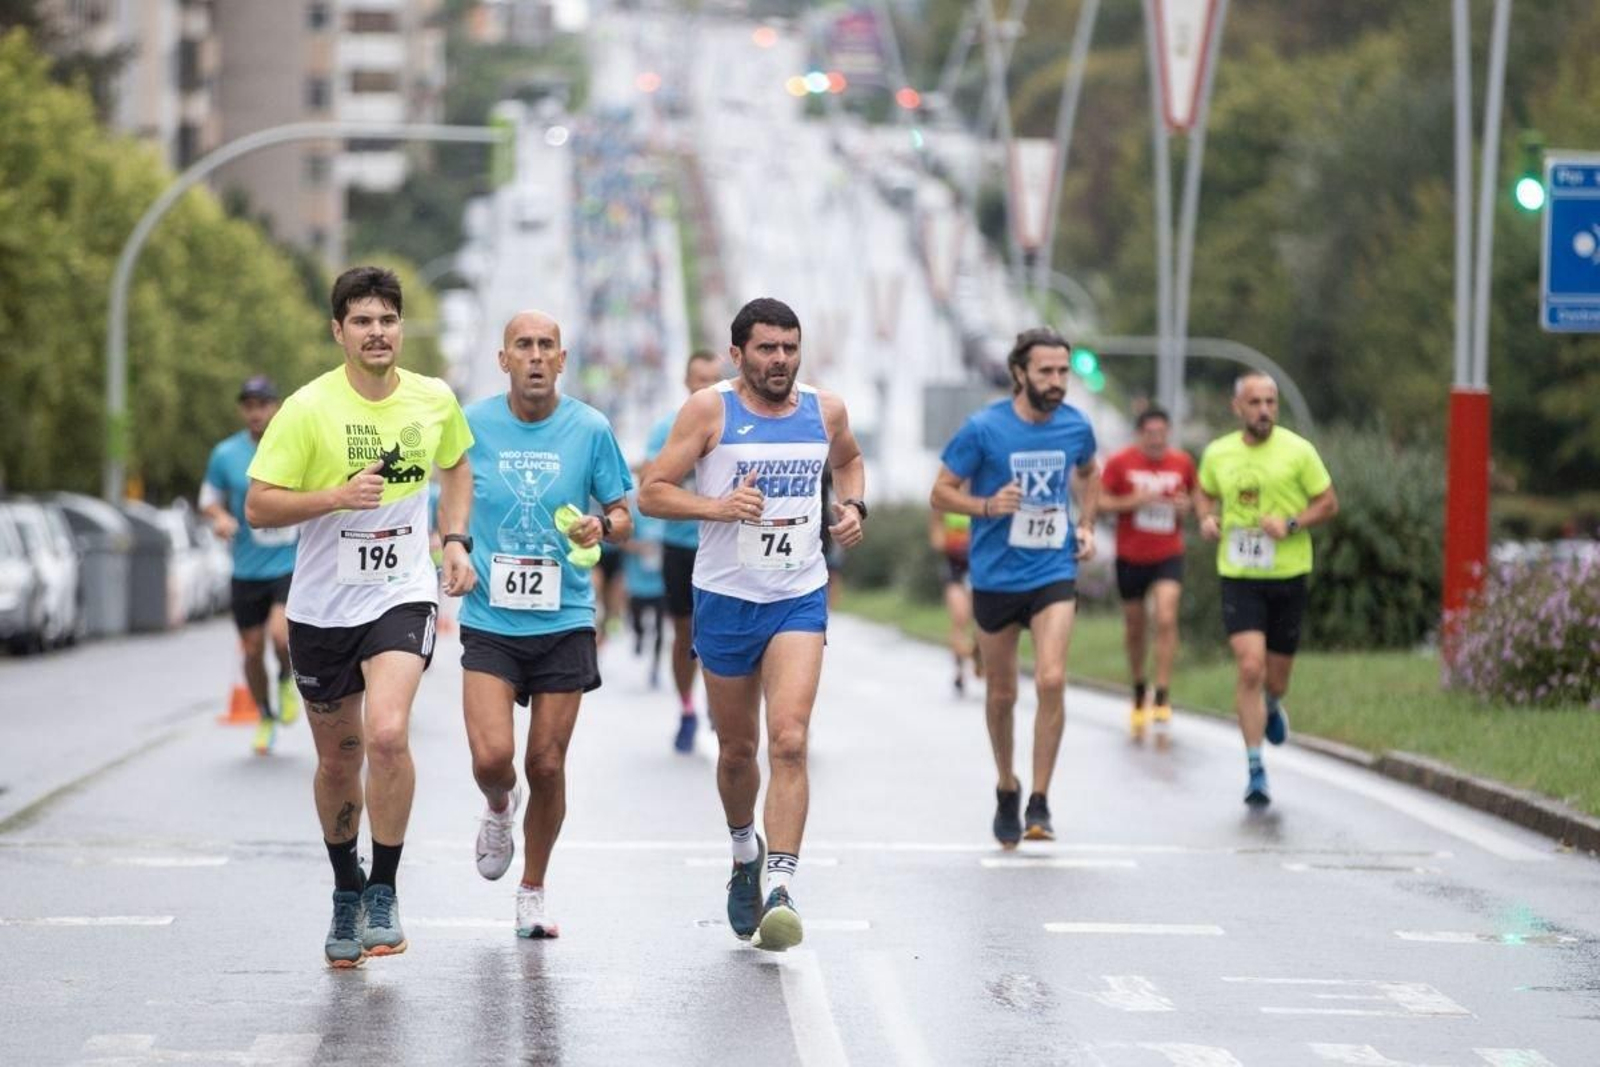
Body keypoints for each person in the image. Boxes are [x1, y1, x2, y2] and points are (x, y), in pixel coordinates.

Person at [245, 265, 476, 968]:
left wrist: (455, 537)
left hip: (401, 592)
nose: (378, 333)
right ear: (338, 330)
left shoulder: (432, 398)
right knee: (337, 760)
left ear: (400, 328)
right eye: (363, 321)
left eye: (388, 319)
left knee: (386, 734)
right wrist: (335, 497)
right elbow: (259, 504)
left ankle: (383, 888)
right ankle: (346, 888)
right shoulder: (308, 409)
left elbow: (457, 464)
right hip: (322, 608)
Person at [639, 298, 865, 952]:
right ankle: (745, 852)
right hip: (725, 596)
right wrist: (717, 505)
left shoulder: (826, 410)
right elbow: (654, 491)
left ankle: (782, 887)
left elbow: (849, 460)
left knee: (789, 738)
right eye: (766, 349)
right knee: (738, 750)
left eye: (790, 348)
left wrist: (853, 504)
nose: (780, 361)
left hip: (798, 593)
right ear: (737, 354)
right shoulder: (710, 410)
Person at [458, 310, 632, 939]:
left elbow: (622, 513)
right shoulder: (471, 425)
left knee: (548, 765)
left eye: (546, 347)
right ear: (502, 359)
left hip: (564, 617)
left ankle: (532, 890)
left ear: (562, 360)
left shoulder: (590, 429)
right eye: (523, 346)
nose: (535, 356)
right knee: (493, 757)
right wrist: (450, 547)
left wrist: (602, 526)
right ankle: (498, 808)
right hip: (490, 616)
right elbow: (444, 501)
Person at [929, 327, 1099, 849]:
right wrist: (985, 507)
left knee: (1051, 679)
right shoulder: (983, 429)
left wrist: (1086, 524)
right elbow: (939, 492)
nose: (1057, 381)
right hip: (996, 575)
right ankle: (1007, 783)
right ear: (1020, 373)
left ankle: (1040, 801)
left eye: (1063, 372)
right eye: (1046, 371)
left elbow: (1090, 475)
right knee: (1001, 693)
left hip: (1052, 572)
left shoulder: (1076, 427)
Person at [1196, 373, 1338, 807]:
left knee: (1275, 678)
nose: (1264, 410)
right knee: (1250, 667)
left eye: (1271, 402)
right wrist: (1205, 518)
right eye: (1255, 402)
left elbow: (1328, 502)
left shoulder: (1299, 451)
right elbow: (1203, 493)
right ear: (1237, 407)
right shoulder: (1218, 452)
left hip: (1288, 573)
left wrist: (1291, 523)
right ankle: (1255, 768)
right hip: (1239, 575)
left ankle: (1272, 706)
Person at [200, 375, 301, 756]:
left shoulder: (295, 447)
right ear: (243, 410)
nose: (256, 412)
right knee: (251, 648)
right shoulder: (226, 455)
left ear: (275, 407)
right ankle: (264, 715)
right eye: (249, 405)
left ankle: (287, 679)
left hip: (288, 565)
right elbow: (208, 498)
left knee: (280, 635)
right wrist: (219, 518)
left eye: (263, 404)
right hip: (245, 570)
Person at [1099, 406, 1199, 740]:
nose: (1157, 440)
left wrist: (1188, 507)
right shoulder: (1120, 462)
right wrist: (1133, 501)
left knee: (1167, 616)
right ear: (1139, 434)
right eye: (1150, 434)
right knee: (1135, 627)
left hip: (1168, 553)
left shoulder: (1182, 462)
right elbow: (1099, 502)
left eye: (1162, 433)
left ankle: (1163, 693)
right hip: (1130, 556)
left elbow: (1197, 501)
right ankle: (1139, 686)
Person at [645, 350, 725, 753]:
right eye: (698, 379)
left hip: (724, 546)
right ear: (685, 381)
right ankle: (687, 706)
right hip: (680, 545)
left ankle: (720, 699)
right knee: (684, 634)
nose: (705, 387)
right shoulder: (666, 429)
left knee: (721, 632)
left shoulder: (734, 425)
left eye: (713, 379)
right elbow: (650, 482)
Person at [929, 510, 979, 696]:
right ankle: (960, 670)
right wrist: (953, 541)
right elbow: (936, 539)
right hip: (956, 569)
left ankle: (977, 654)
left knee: (982, 622)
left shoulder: (983, 494)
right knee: (959, 617)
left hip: (981, 569)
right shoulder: (944, 499)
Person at [623, 483, 668, 690]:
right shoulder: (635, 513)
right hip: (638, 581)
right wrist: (641, 548)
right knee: (638, 620)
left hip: (660, 582)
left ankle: (655, 669)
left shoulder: (667, 516)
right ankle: (639, 635)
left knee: (660, 628)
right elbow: (623, 541)